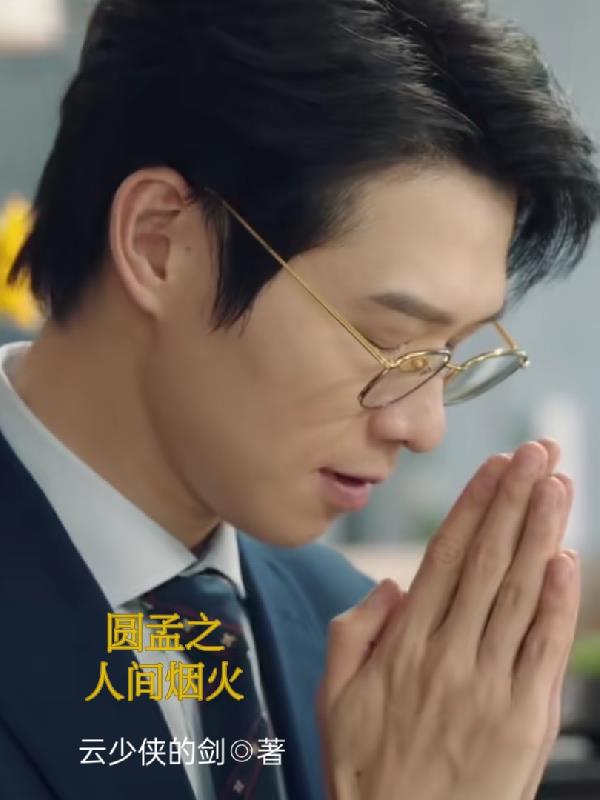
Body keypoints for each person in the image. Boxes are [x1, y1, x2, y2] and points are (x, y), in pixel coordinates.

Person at [1, 1, 599, 799]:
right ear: (159, 243)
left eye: (449, 355)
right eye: (388, 339)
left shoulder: (354, 640)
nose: (423, 426)